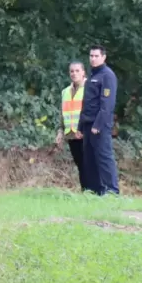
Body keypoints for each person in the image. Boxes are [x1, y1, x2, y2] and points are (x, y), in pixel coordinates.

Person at [78, 44, 120, 195]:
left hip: (99, 125)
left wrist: (99, 124)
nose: (93, 59)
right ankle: (95, 191)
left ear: (103, 57)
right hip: (88, 124)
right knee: (89, 160)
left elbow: (107, 104)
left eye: (96, 56)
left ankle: (112, 190)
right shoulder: (92, 76)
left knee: (104, 157)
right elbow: (87, 103)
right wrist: (80, 126)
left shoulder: (107, 76)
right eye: (91, 56)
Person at [55, 61, 88, 191]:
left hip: (86, 134)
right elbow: (63, 114)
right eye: (72, 71)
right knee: (80, 165)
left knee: (89, 165)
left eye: (77, 71)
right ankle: (85, 192)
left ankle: (94, 192)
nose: (74, 73)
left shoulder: (90, 88)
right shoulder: (65, 92)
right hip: (71, 134)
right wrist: (60, 131)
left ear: (83, 72)